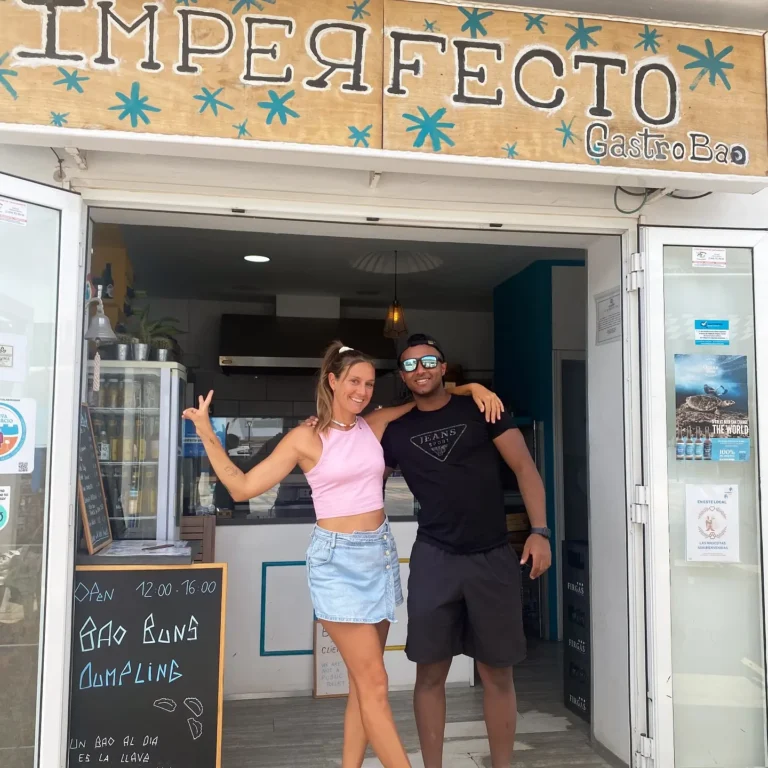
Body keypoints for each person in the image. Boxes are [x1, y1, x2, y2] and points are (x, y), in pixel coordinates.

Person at [182, 341, 504, 768]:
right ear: (332, 381)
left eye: (369, 384)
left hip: (379, 557)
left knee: (362, 686)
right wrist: (205, 429)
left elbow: (428, 398)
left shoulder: (374, 425)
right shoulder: (305, 437)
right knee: (375, 684)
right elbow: (241, 488)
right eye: (354, 381)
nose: (362, 391)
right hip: (336, 564)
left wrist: (472, 389)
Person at [380, 333, 551, 768]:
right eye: (410, 364)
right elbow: (360, 458)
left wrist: (540, 531)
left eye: (429, 361)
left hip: (492, 556)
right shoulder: (395, 432)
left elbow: (524, 467)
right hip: (434, 558)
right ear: (402, 375)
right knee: (429, 672)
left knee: (497, 671)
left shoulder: (482, 409)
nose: (421, 370)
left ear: (444, 367)